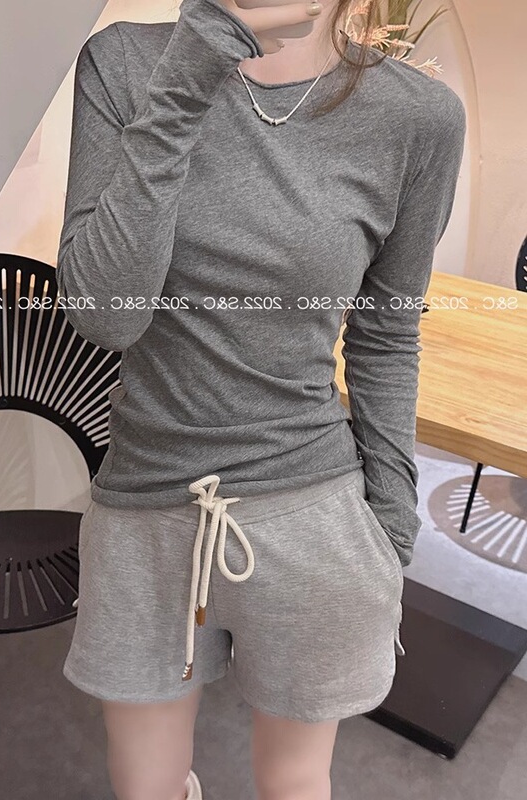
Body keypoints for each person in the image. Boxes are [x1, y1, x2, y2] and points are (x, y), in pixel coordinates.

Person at [56, 0, 466, 798]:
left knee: (293, 784)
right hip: (144, 505)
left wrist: (391, 527)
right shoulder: (127, 65)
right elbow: (107, 317)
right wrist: (193, 68)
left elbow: (385, 335)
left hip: (313, 512)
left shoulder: (417, 118)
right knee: (145, 787)